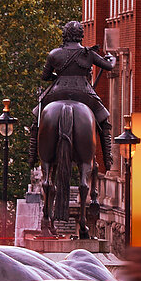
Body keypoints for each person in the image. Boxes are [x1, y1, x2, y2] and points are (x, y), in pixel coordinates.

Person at [40, 21, 117, 171]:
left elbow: (45, 76)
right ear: (81, 35)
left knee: (38, 117)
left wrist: (57, 76)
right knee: (103, 119)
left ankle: (33, 155)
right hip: (84, 93)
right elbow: (109, 66)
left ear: (65, 35)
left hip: (57, 92)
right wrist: (112, 58)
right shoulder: (88, 54)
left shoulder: (54, 54)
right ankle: (108, 159)